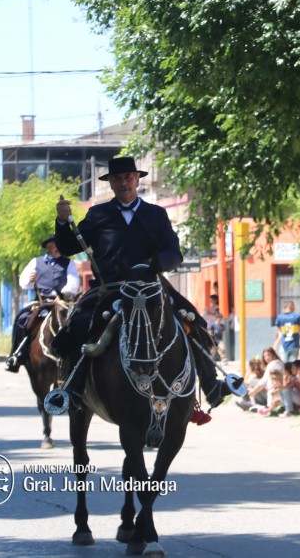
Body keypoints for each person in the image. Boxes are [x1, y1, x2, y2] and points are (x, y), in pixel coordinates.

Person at [49, 156, 236, 410]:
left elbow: (174, 252)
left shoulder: (156, 214)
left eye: (128, 177)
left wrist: (156, 264)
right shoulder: (97, 214)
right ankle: (72, 391)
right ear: (111, 184)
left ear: (137, 180)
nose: (124, 182)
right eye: (118, 179)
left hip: (150, 288)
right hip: (110, 289)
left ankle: (211, 386)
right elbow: (70, 246)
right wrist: (62, 222)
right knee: (75, 327)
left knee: (194, 321)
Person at [5, 234, 80, 373]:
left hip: (62, 301)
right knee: (21, 320)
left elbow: (73, 281)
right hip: (41, 301)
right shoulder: (36, 262)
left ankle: (81, 353)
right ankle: (16, 354)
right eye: (55, 245)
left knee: (79, 321)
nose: (58, 247)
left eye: (60, 244)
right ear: (48, 247)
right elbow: (24, 283)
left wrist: (63, 294)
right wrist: (30, 279)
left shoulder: (69, 263)